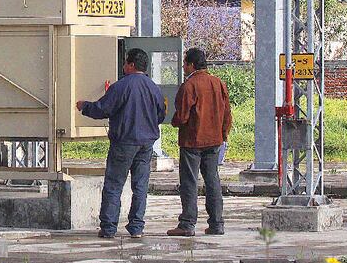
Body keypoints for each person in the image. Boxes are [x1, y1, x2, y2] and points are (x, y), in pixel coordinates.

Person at [76, 48, 166, 239]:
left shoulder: (121, 86)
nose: (123, 66)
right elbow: (161, 115)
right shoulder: (154, 88)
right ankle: (136, 227)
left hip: (124, 142)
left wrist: (84, 106)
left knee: (114, 185)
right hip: (146, 144)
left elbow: (102, 109)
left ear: (131, 65)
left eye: (125, 62)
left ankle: (109, 227)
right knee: (140, 186)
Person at [167, 47, 233, 237]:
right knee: (212, 180)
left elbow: (182, 116)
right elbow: (227, 113)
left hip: (192, 140)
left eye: (185, 63)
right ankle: (216, 223)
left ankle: (187, 224)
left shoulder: (189, 86)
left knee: (189, 181)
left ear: (191, 65)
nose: (183, 67)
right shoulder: (218, 83)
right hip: (214, 140)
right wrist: (223, 134)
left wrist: (174, 121)